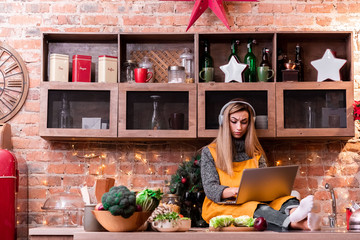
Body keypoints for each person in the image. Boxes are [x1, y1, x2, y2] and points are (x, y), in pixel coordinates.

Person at [200, 99, 320, 231]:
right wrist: (236, 191)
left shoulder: (256, 153)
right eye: (233, 121)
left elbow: (264, 185)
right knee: (258, 208)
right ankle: (301, 223)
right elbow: (210, 188)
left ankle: (294, 211)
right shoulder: (210, 152)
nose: (239, 127)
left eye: (244, 122)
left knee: (285, 199)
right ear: (223, 122)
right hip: (222, 205)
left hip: (255, 200)